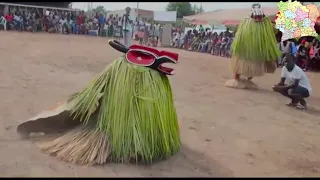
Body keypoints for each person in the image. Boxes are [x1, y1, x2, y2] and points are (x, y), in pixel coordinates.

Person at [225, 4, 280, 89]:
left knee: (251, 66)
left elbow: (274, 30)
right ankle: (237, 78)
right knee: (240, 63)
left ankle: (247, 79)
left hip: (257, 50)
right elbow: (237, 31)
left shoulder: (266, 23)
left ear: (262, 15)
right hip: (244, 49)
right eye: (256, 16)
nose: (258, 18)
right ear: (252, 15)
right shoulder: (246, 22)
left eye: (259, 17)